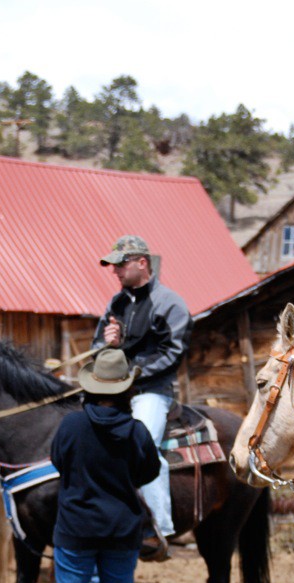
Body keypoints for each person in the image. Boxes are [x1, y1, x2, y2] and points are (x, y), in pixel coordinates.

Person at [36, 349, 160, 583]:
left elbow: (59, 462)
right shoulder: (136, 432)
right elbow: (149, 471)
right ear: (126, 390)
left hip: (74, 530)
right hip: (122, 531)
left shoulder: (71, 426)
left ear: (91, 387)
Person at [92, 235, 192, 561]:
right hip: (115, 391)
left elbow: (172, 354)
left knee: (143, 447)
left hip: (152, 392)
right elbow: (98, 351)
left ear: (142, 263)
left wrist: (132, 371)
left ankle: (159, 531)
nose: (116, 271)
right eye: (114, 266)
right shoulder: (116, 304)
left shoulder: (170, 304)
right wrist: (108, 344)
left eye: (121, 264)